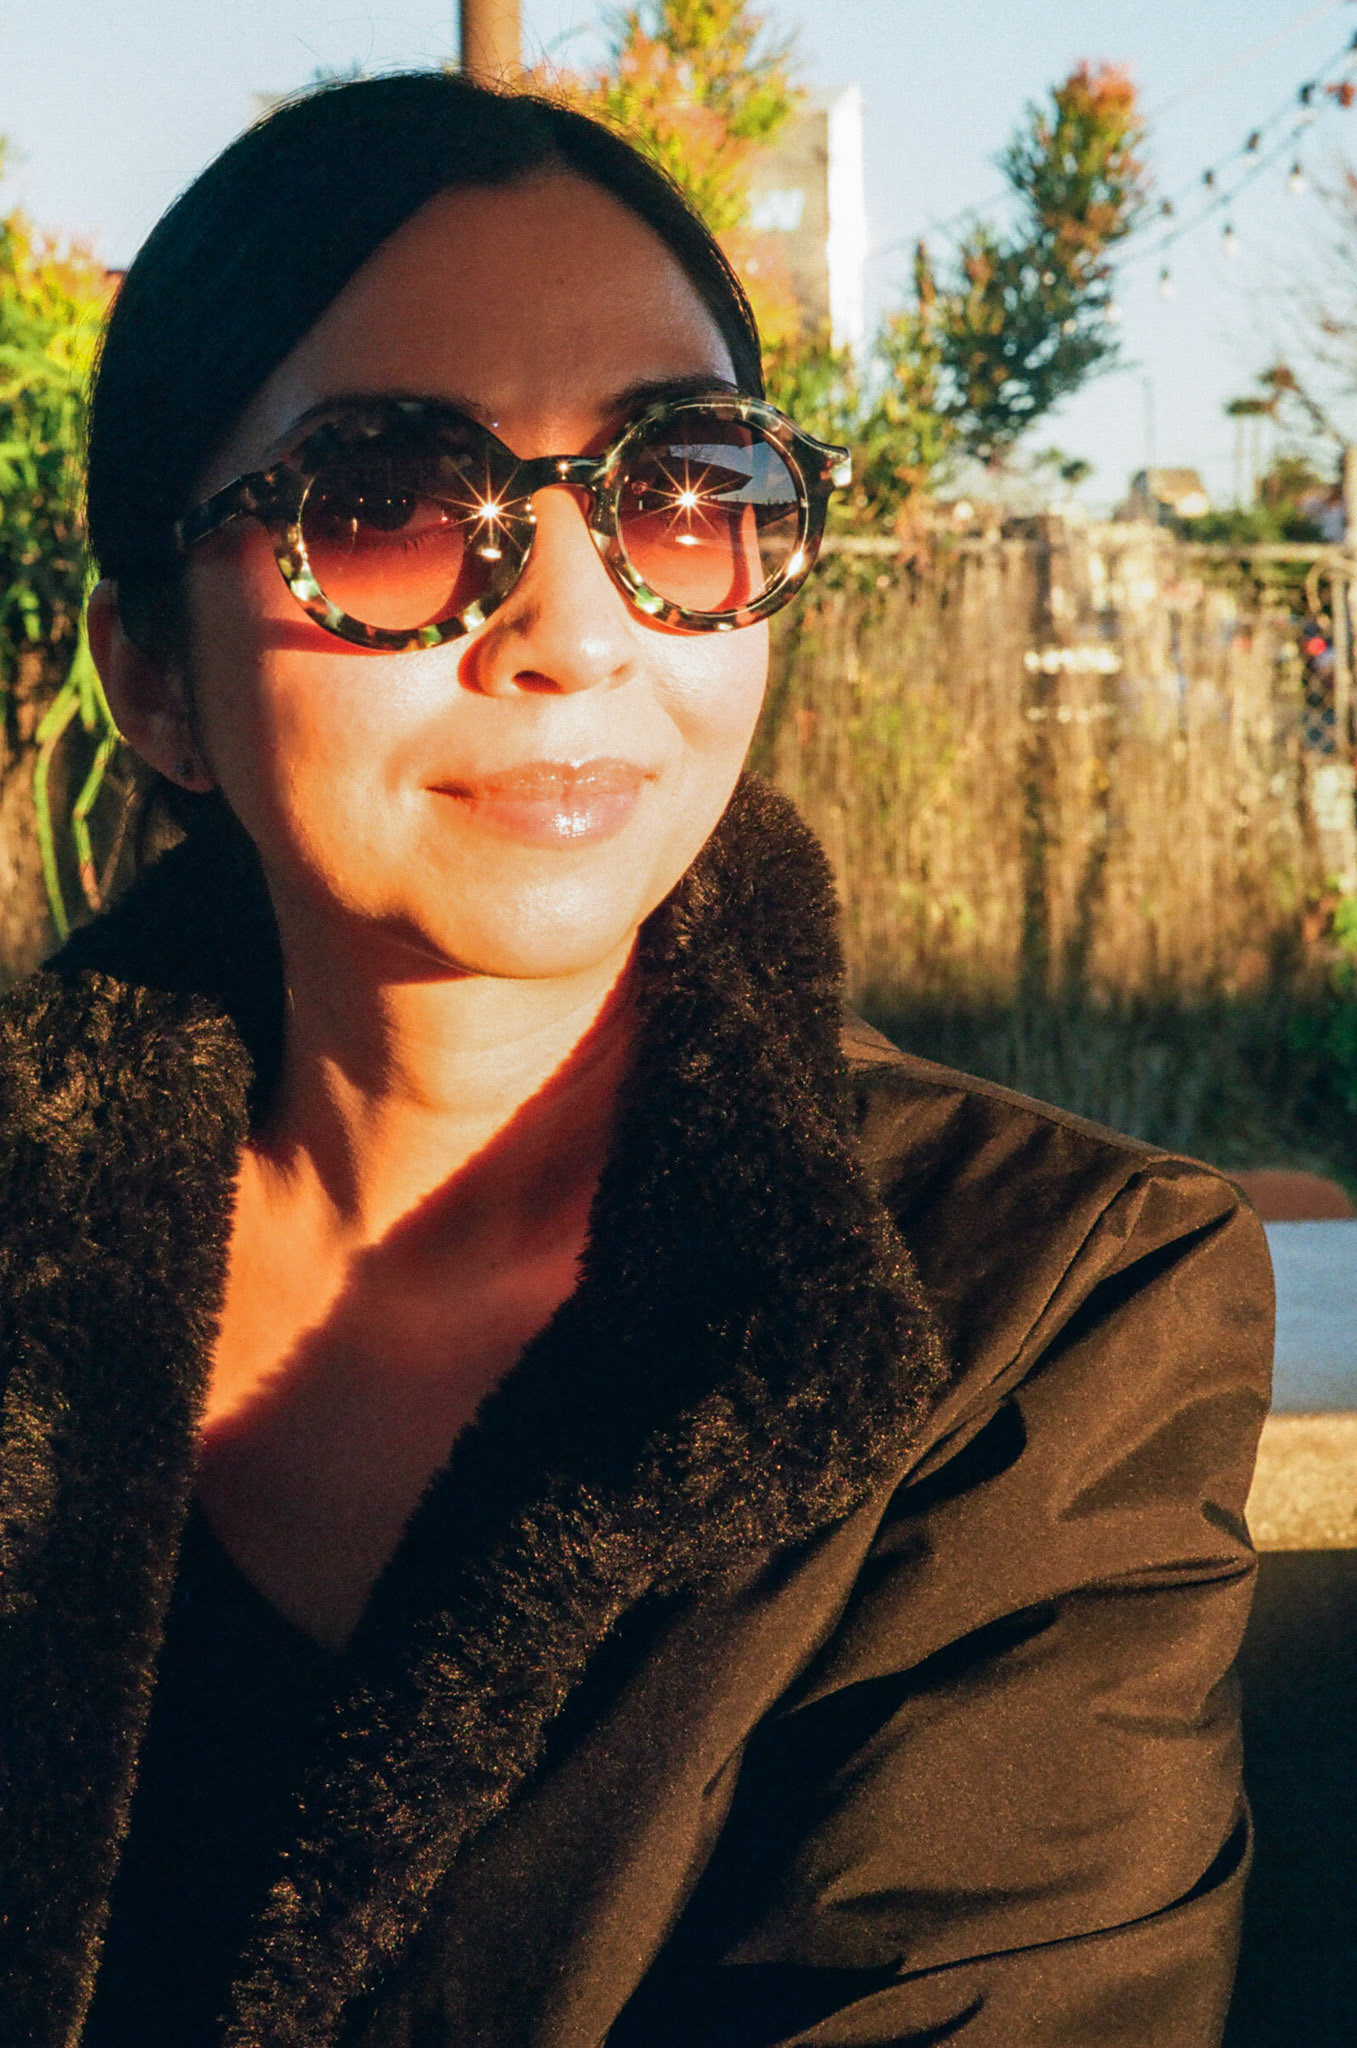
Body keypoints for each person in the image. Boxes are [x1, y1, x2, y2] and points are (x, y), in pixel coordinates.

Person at [0, 70, 1271, 2048]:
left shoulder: (1037, 1311)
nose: (576, 632)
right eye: (385, 506)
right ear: (153, 676)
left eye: (680, 487)